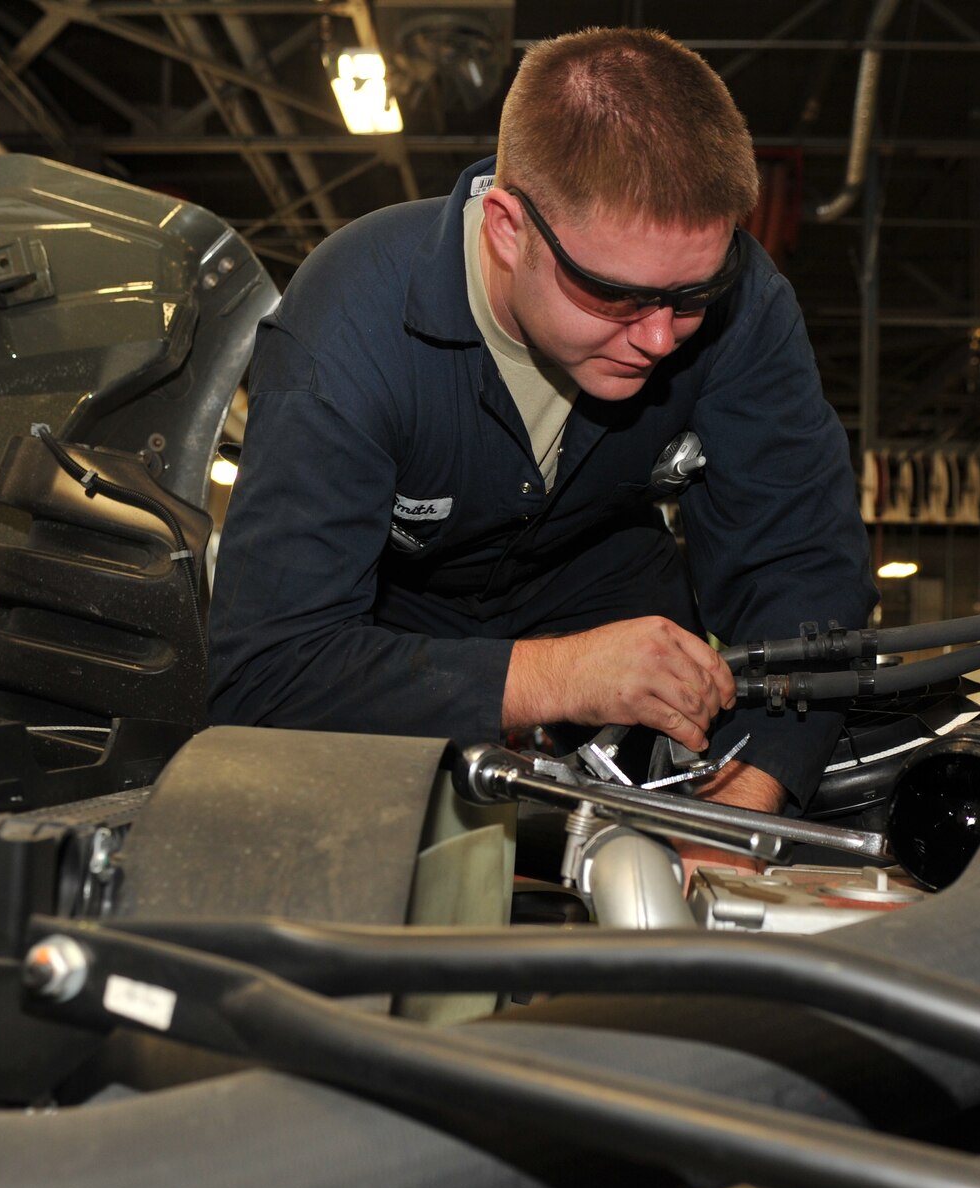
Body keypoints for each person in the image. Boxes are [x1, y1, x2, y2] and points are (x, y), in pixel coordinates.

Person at [208, 27, 873, 827]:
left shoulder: (743, 308)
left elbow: (800, 566)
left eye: (692, 295)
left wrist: (746, 799)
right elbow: (266, 671)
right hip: (388, 665)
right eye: (616, 295)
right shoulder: (347, 331)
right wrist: (555, 677)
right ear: (506, 228)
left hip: (622, 625)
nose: (661, 337)